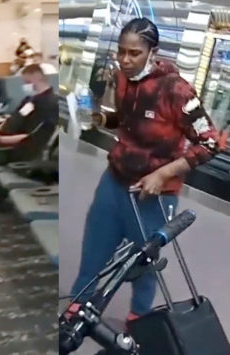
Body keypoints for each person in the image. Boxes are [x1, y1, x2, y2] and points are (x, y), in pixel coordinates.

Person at [68, 18, 222, 322]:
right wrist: (100, 119)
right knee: (95, 244)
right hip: (114, 181)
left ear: (153, 51)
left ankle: (139, 314)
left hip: (153, 194)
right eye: (121, 51)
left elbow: (210, 143)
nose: (125, 60)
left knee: (144, 258)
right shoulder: (123, 78)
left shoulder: (176, 90)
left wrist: (163, 174)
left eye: (134, 53)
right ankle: (80, 301)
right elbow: (125, 121)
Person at [0, 64, 58, 215]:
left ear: (37, 77)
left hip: (22, 149)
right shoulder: (31, 99)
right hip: (6, 140)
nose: (25, 86)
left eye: (27, 82)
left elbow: (29, 137)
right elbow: (14, 120)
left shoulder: (49, 104)